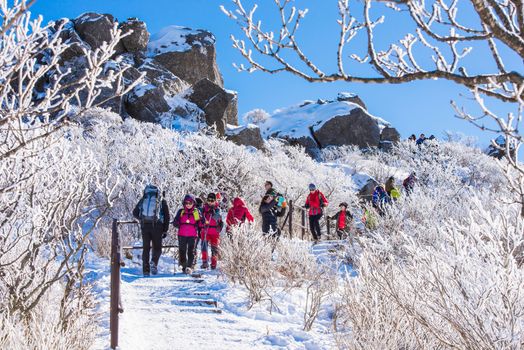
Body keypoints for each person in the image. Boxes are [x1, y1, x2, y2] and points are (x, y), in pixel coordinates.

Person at [133, 185, 170, 277]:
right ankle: (153, 262)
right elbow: (167, 216)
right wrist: (165, 230)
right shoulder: (161, 201)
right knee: (157, 248)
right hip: (157, 227)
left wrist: (141, 219)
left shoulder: (143, 200)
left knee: (146, 249)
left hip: (145, 226)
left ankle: (145, 270)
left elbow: (135, 212)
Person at [173, 194, 201, 274]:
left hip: (192, 235)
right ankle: (184, 266)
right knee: (182, 251)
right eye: (186, 203)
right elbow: (175, 222)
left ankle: (189, 267)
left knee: (191, 251)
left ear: (193, 203)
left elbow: (200, 223)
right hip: (182, 234)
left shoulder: (196, 212)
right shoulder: (181, 211)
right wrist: (177, 223)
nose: (188, 205)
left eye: (190, 203)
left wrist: (200, 228)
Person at [200, 193, 223, 269]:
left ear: (215, 200)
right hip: (205, 230)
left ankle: (213, 264)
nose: (210, 202)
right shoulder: (204, 208)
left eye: (212, 200)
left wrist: (214, 213)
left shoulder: (217, 209)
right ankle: (204, 262)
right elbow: (200, 218)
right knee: (204, 247)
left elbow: (218, 218)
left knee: (214, 249)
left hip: (214, 231)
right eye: (208, 200)